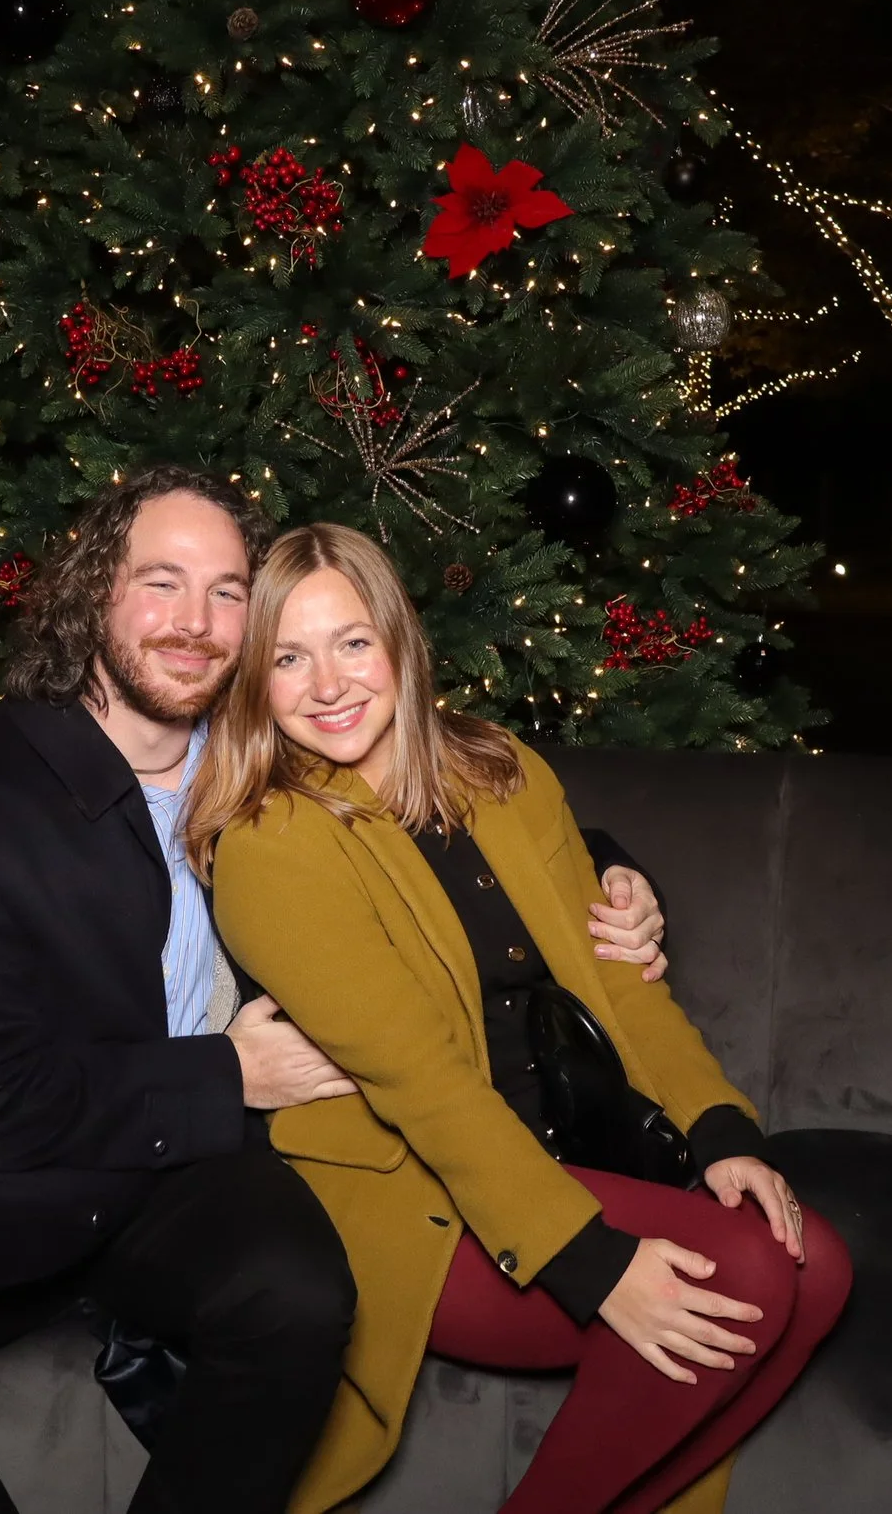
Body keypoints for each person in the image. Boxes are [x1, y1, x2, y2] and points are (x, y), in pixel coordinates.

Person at [0, 470, 680, 1514]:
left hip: (191, 1173)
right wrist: (227, 1070)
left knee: (296, 1293)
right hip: (10, 1164)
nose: (196, 624)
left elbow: (443, 811)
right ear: (91, 594)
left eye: (228, 591)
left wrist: (613, 871)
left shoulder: (265, 761)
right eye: (162, 583)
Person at [188, 523, 853, 1514]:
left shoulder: (501, 773)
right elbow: (424, 1082)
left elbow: (618, 982)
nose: (327, 681)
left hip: (560, 1148)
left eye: (352, 641)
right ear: (254, 680)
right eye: (288, 656)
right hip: (407, 1195)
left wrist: (719, 1129)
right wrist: (588, 1259)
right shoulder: (268, 843)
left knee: (817, 1263)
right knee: (753, 1271)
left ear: (400, 643)